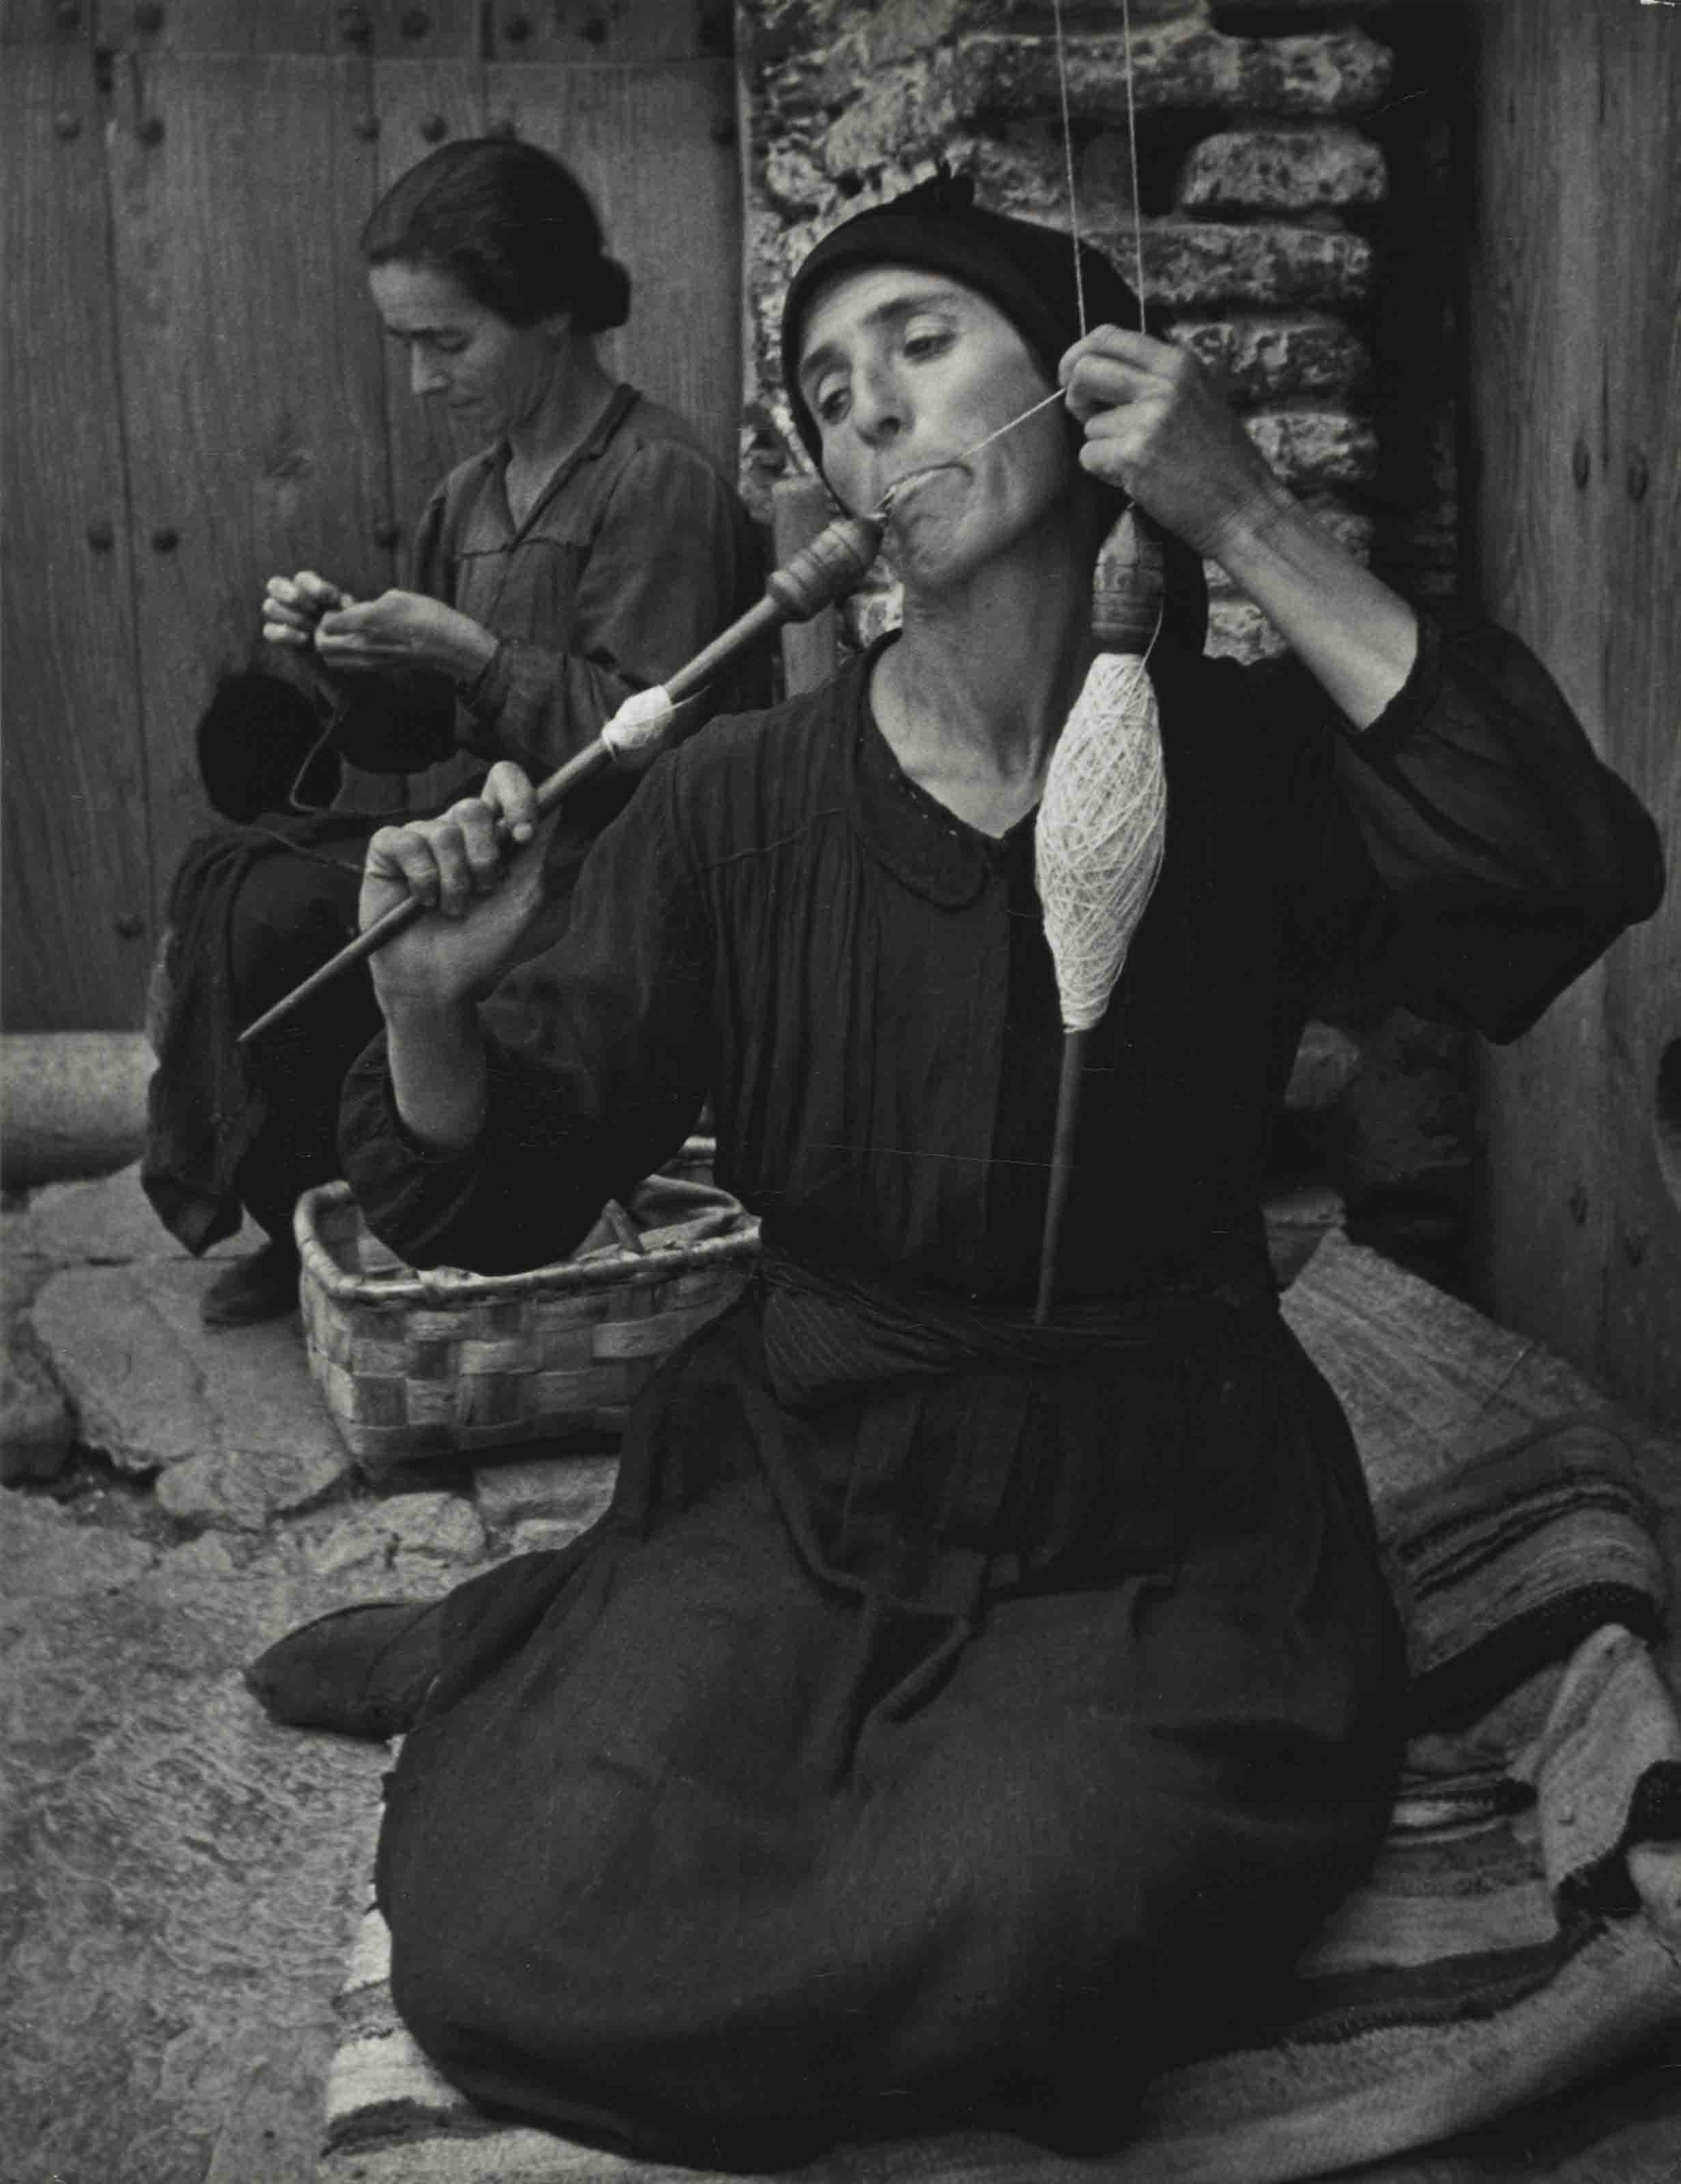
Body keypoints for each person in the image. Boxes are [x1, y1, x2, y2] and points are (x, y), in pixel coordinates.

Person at [246, 173, 1663, 2164]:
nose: (873, 415)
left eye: (923, 345)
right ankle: (549, 1641)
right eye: (831, 393)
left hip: (1168, 1496)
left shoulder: (1243, 764)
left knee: (1031, 1899)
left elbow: (1566, 871)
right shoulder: (739, 805)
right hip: (812, 1457)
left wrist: (1244, 515)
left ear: (1082, 395)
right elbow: (496, 1191)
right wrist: (428, 1013)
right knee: (532, 1912)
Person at [142, 137, 766, 1327]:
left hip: (615, 886)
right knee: (241, 878)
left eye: (451, 342)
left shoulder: (654, 483)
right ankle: (313, 1210)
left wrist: (465, 653)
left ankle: (390, 1207)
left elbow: (662, 747)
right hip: (501, 853)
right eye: (407, 346)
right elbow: (410, 741)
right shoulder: (469, 497)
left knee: (290, 916)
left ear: (555, 315)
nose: (423, 380)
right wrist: (347, 655)